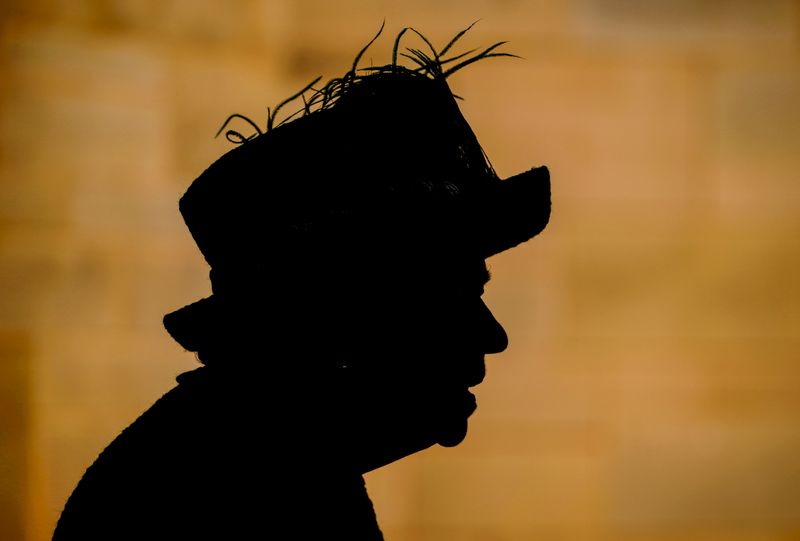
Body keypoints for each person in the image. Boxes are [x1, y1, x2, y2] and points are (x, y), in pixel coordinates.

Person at [53, 25, 550, 540]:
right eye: (453, 294)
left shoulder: (270, 468)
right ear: (346, 318)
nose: (494, 336)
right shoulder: (236, 497)